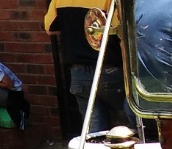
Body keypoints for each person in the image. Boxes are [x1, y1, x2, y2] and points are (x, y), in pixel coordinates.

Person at [44, 0, 124, 134]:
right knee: (127, 125)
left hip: (79, 72)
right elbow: (122, 31)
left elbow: (50, 28)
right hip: (109, 69)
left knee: (94, 130)